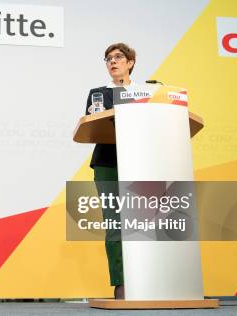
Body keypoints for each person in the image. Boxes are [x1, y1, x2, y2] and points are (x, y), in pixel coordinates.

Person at [85, 42, 136, 300]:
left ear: (130, 63)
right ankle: (122, 283)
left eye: (118, 57)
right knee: (116, 225)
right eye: (107, 59)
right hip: (108, 163)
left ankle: (149, 278)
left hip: (142, 163)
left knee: (144, 225)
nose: (112, 62)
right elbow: (94, 124)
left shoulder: (146, 93)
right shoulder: (98, 94)